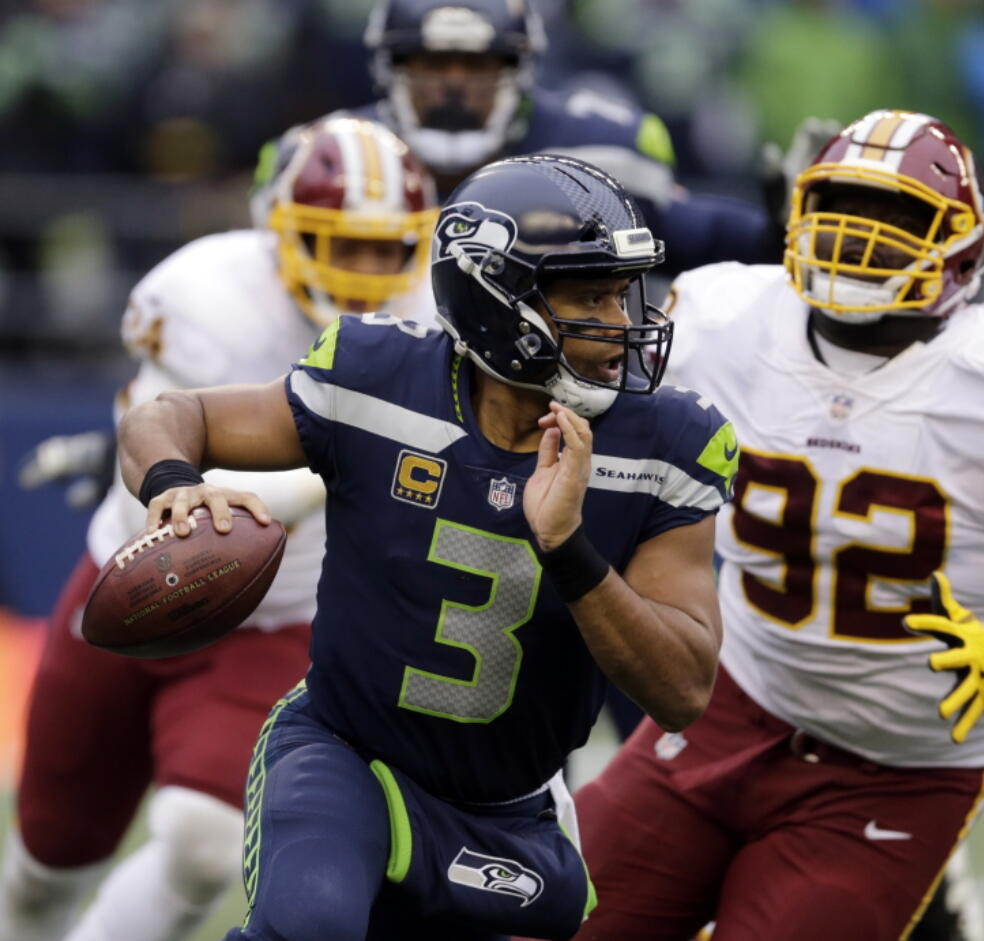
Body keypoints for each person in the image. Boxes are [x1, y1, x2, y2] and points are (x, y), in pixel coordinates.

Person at [570, 109, 984, 941]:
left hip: (900, 770)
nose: (860, 238)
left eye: (897, 219)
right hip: (730, 708)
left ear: (961, 246)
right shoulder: (732, 318)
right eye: (843, 209)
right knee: (553, 918)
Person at [114, 153, 735, 941]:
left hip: (508, 809)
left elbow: (682, 690)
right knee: (309, 927)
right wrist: (175, 479)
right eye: (591, 296)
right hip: (348, 752)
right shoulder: (375, 379)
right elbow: (171, 413)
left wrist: (569, 546)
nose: (619, 323)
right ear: (495, 298)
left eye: (621, 293)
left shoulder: (667, 442)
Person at [0, 116, 438, 941]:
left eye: (389, 248)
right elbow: (166, 473)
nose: (368, 272)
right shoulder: (206, 292)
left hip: (282, 615)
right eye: (338, 242)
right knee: (44, 863)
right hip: (128, 582)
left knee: (204, 847)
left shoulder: (435, 320)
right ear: (278, 225)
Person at [251, 0, 778, 276]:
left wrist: (782, 230)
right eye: (433, 64)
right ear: (389, 70)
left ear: (520, 71)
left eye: (477, 65)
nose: (454, 84)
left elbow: (694, 235)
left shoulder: (601, 145)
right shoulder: (325, 152)